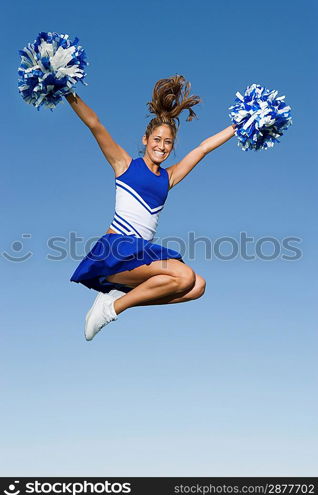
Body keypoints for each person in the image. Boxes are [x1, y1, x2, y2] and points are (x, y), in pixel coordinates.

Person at [66, 75, 236, 340]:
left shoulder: (168, 178)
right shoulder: (124, 165)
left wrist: (238, 126)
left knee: (197, 287)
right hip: (118, 248)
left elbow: (202, 149)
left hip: (141, 254)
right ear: (146, 139)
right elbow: (94, 123)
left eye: (168, 143)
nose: (162, 146)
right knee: (184, 277)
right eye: (157, 140)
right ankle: (111, 308)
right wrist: (66, 90)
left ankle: (116, 299)